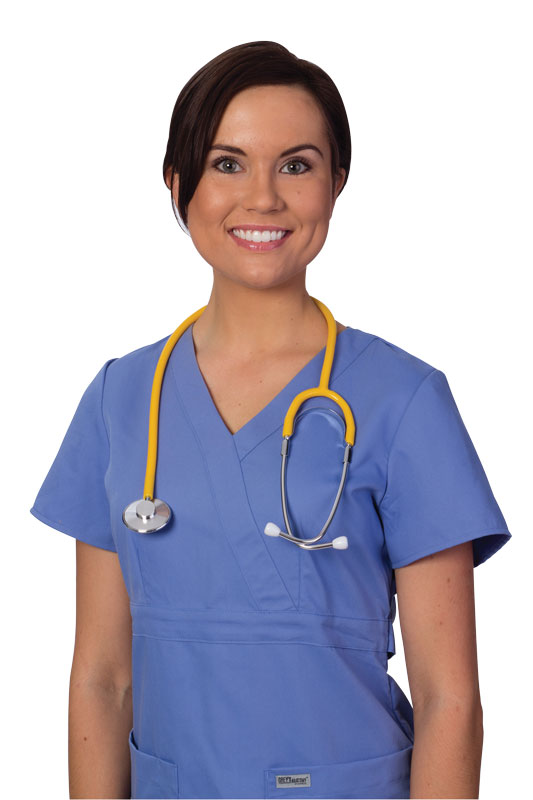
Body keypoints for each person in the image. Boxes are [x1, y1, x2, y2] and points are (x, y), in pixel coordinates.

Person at [30, 40, 511, 800]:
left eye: (295, 164)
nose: (262, 197)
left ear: (336, 184)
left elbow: (450, 700)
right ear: (177, 181)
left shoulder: (402, 400)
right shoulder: (122, 400)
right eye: (227, 163)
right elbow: (101, 677)